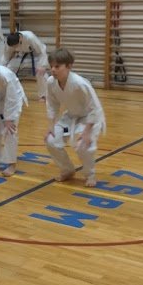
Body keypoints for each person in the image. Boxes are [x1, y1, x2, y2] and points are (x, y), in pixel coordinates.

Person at [44, 48, 106, 185]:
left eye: (57, 66)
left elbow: (95, 107)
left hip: (89, 119)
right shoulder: (50, 82)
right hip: (71, 117)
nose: (53, 70)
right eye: (51, 66)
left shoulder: (80, 83)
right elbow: (52, 104)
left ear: (69, 66)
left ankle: (90, 175)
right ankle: (67, 170)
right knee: (51, 140)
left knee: (84, 145)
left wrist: (87, 132)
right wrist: (51, 125)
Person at [2, 30, 50, 102]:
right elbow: (6, 56)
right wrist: (2, 68)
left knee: (40, 72)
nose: (14, 48)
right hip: (22, 57)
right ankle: (8, 93)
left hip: (37, 56)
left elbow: (42, 51)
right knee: (8, 69)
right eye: (13, 47)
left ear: (20, 39)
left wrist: (42, 65)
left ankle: (44, 95)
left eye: (15, 46)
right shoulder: (10, 41)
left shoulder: (30, 37)